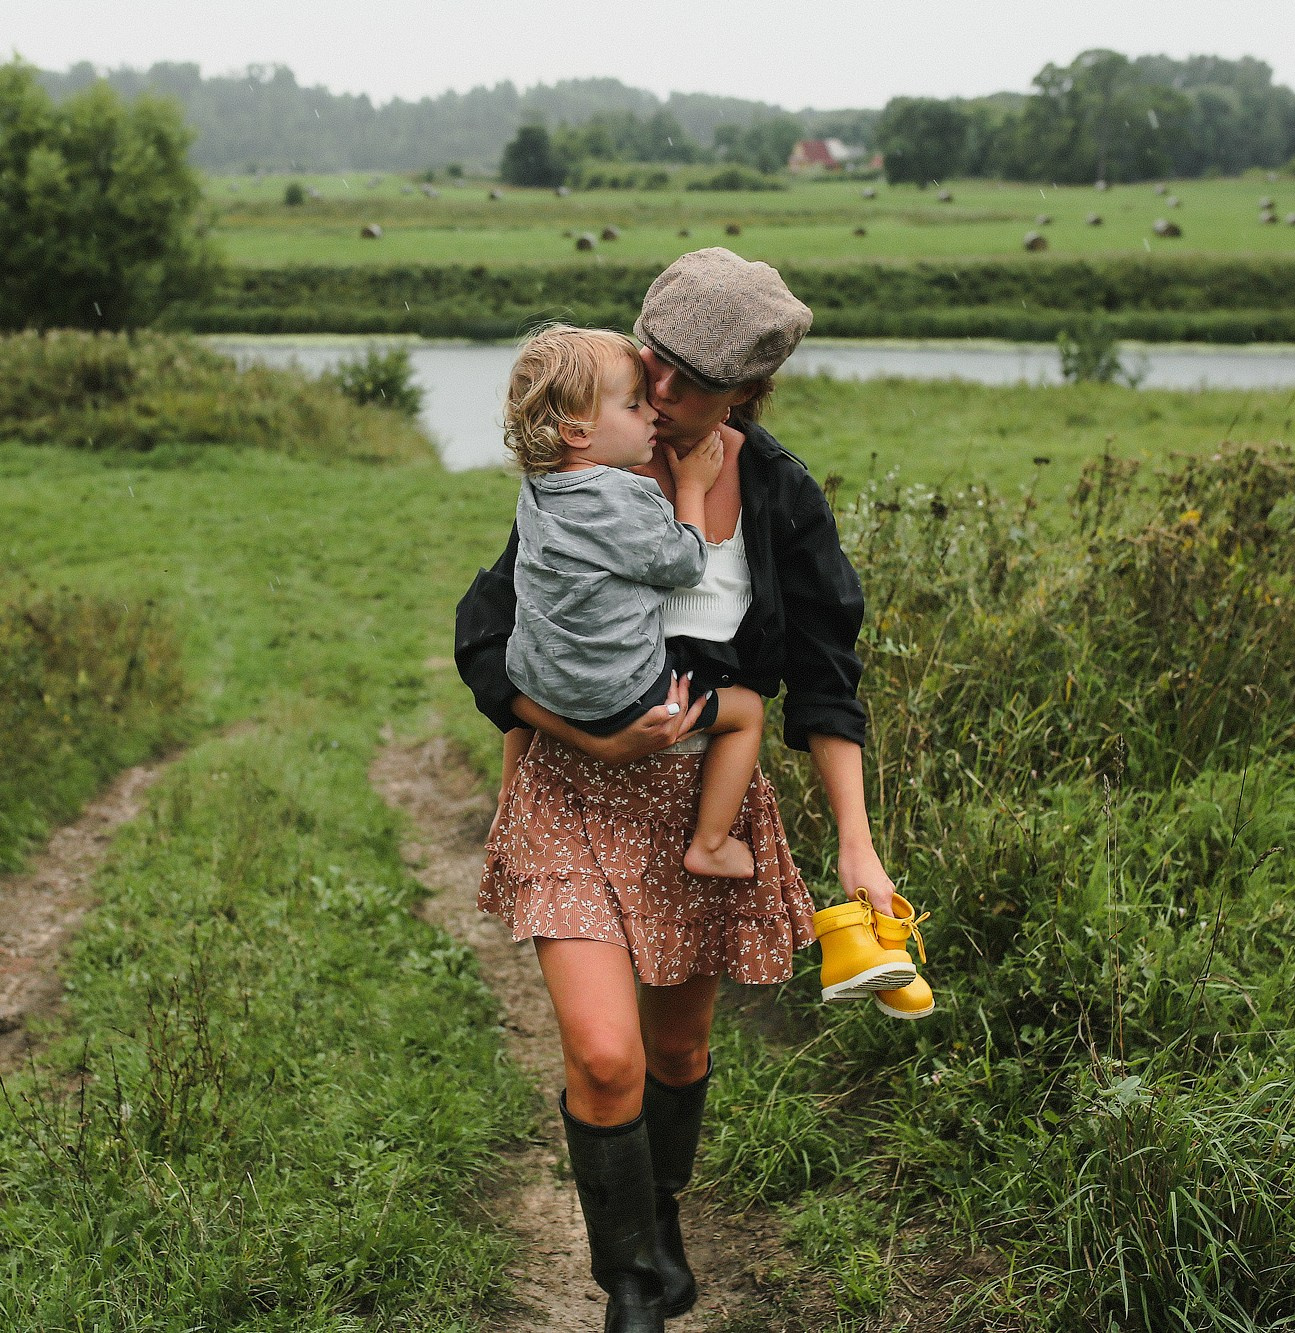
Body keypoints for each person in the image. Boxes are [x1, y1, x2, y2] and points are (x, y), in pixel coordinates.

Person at [456, 248, 930, 1332]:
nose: (659, 399)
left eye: (688, 384)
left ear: (743, 394)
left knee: (675, 1049)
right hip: (572, 798)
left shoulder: (777, 496)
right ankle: (630, 1287)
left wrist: (856, 846)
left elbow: (822, 682)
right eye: (648, 368)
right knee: (607, 1053)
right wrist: (580, 732)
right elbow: (486, 639)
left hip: (697, 809)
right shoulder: (589, 474)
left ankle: (656, 1222)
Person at [497, 324, 768, 882]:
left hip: (539, 682)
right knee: (747, 713)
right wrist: (692, 486)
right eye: (633, 404)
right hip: (620, 697)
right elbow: (685, 565)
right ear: (578, 431)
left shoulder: (540, 487)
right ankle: (710, 844)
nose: (651, 414)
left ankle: (515, 796)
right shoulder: (623, 499)